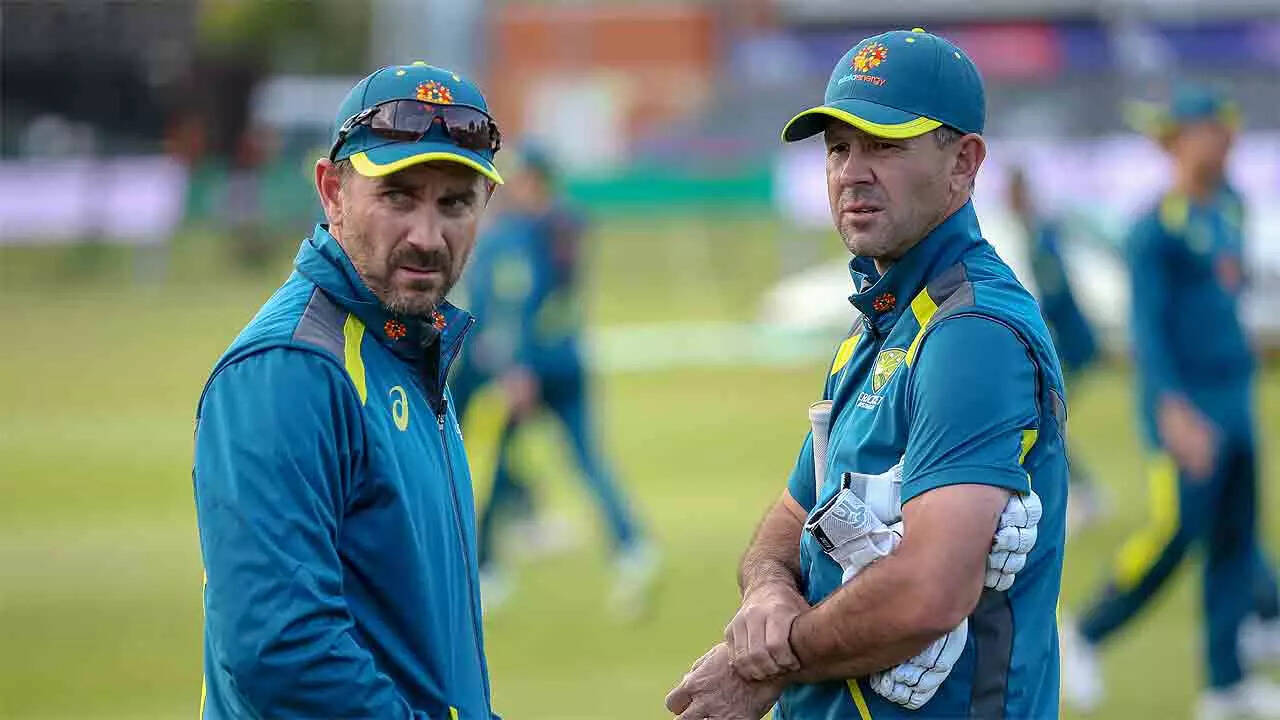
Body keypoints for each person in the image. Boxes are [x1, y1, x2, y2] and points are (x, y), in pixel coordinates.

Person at [665, 28, 1067, 720]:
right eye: (838, 148)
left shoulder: (972, 334)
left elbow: (929, 592)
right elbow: (789, 521)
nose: (852, 172)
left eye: (884, 146)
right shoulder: (877, 328)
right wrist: (768, 592)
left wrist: (770, 661)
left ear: (964, 162)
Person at [193, 62, 504, 719]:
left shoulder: (408, 346)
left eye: (454, 203)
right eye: (398, 197)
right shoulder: (291, 369)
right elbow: (282, 653)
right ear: (332, 192)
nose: (427, 236)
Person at [1061, 84, 1280, 720]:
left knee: (1236, 540)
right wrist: (1174, 410)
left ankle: (1226, 685)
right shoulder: (1154, 229)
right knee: (1176, 534)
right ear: (1176, 142)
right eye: (1211, 130)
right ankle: (1086, 631)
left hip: (1235, 399)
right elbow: (1147, 332)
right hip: (1187, 408)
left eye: (1227, 130)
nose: (1225, 141)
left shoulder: (1230, 209)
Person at [450, 144, 656, 617]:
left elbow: (514, 301)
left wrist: (515, 366)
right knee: (582, 458)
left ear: (534, 181)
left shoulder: (522, 233)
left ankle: (489, 566)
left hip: (531, 369)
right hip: (565, 361)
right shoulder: (565, 225)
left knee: (501, 460)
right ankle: (630, 545)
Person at [1006, 167, 1107, 531]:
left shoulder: (1040, 235)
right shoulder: (1036, 232)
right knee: (1046, 418)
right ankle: (1080, 492)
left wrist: (1034, 318)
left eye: (1013, 195)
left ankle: (1081, 494)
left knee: (1047, 417)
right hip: (1069, 342)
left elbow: (1057, 291)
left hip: (1072, 345)